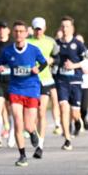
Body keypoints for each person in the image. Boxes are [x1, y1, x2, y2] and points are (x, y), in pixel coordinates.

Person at [0, 20, 48, 166]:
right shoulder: (7, 51)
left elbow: (44, 63)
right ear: (13, 33)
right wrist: (0, 67)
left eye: (21, 31)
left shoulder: (33, 50)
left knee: (28, 125)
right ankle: (22, 155)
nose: (18, 34)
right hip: (15, 89)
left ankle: (32, 132)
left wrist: (38, 69)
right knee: (18, 122)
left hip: (31, 89)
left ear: (26, 33)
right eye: (16, 31)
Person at [54, 17, 88, 150]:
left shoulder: (78, 44)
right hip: (61, 81)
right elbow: (52, 57)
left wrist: (74, 65)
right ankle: (67, 139)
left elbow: (86, 60)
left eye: (67, 26)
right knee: (63, 107)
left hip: (75, 81)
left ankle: (78, 121)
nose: (64, 29)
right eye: (62, 26)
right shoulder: (56, 44)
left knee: (75, 113)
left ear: (72, 29)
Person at [28, 16, 59, 144]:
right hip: (30, 80)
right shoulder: (27, 42)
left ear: (45, 28)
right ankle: (33, 132)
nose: (38, 31)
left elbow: (58, 57)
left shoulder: (51, 42)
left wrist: (53, 60)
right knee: (32, 111)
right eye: (36, 29)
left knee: (41, 111)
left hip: (45, 79)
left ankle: (40, 141)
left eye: (40, 29)